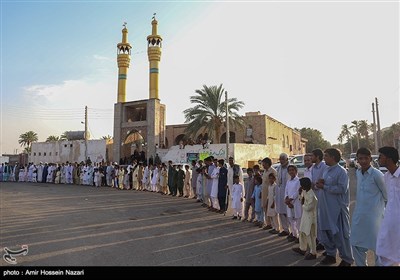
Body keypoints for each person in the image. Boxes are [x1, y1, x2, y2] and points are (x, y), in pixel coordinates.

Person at [316, 148, 353, 266]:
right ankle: (331, 254)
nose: (324, 158)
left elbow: (342, 189)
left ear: (333, 157)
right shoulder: (326, 170)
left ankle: (347, 259)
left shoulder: (341, 172)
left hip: (337, 209)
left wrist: (325, 187)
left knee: (340, 235)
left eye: (326, 156)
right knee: (326, 232)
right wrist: (322, 183)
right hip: (325, 208)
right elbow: (326, 184)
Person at [350, 147, 387, 266]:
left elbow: (387, 196)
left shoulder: (377, 174)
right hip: (359, 216)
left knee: (377, 247)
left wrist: (385, 214)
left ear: (370, 159)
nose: (364, 161)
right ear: (357, 160)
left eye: (366, 158)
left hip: (374, 217)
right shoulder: (358, 173)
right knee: (356, 243)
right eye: (360, 158)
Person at [376, 146, 400, 266]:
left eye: (381, 156)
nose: (378, 159)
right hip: (390, 220)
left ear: (389, 159)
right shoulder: (386, 177)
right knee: (384, 250)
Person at [292, 177, 318, 260]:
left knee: (310, 235)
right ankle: (302, 248)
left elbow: (308, 207)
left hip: (310, 218)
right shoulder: (304, 191)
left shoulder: (312, 195)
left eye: (302, 185)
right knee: (302, 232)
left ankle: (313, 252)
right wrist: (300, 194)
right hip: (305, 216)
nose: (301, 186)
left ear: (305, 185)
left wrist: (303, 204)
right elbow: (301, 200)